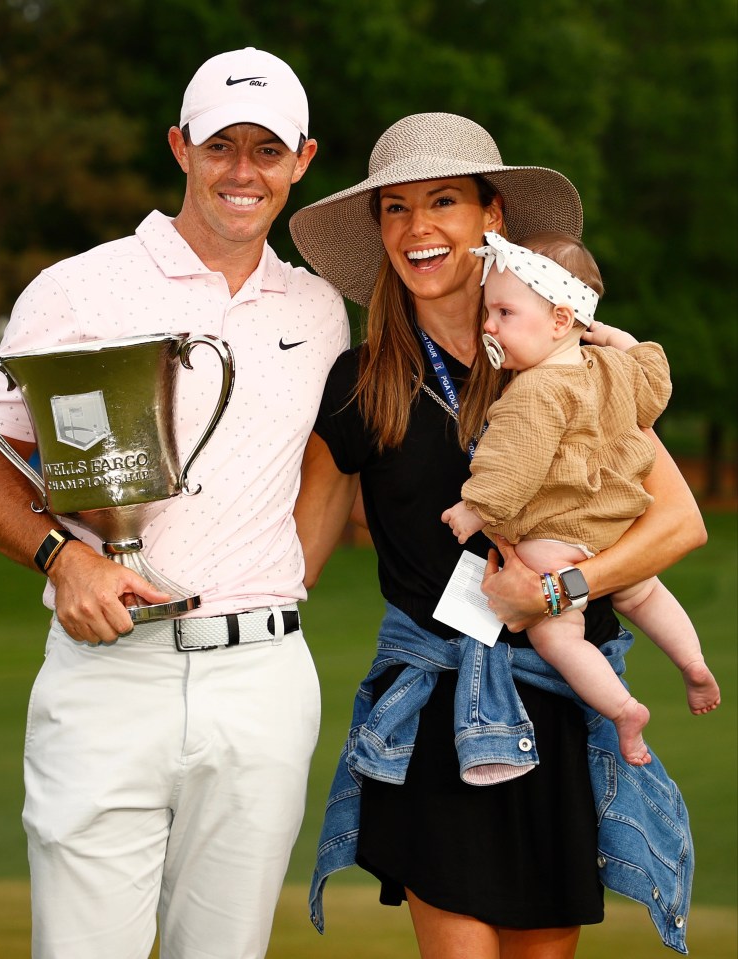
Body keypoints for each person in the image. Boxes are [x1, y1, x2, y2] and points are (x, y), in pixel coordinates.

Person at [0, 47, 349, 959]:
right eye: (220, 147)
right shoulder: (79, 287)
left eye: (266, 150)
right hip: (106, 675)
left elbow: (330, 460)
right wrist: (66, 557)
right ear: (179, 147)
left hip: (260, 683)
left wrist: (284, 583)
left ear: (303, 161)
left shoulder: (321, 308)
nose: (242, 172)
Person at [289, 113, 706, 958]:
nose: (417, 227)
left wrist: (555, 590)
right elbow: (290, 559)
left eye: (442, 200)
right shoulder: (359, 383)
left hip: (560, 699)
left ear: (493, 220)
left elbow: (677, 521)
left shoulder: (568, 357)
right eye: (395, 208)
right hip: (434, 713)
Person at [442, 230, 720, 766]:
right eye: (488, 314)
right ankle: (692, 662)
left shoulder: (532, 391)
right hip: (616, 529)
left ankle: (622, 710)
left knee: (559, 638)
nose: (489, 326)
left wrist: (475, 508)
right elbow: (655, 385)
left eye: (504, 313)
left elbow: (512, 466)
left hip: (557, 538)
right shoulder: (612, 371)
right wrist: (619, 339)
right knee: (645, 596)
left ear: (561, 321)